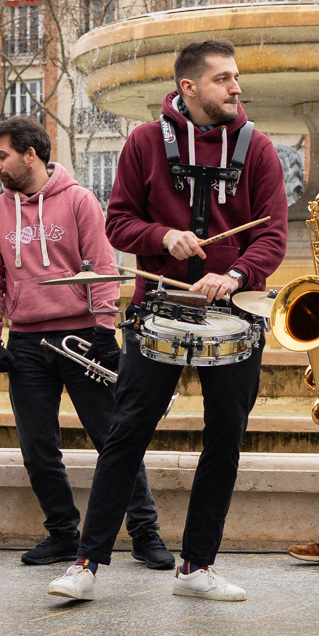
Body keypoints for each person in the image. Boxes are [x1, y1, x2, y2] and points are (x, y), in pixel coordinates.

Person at [46, 40, 287, 603]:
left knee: (225, 441)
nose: (236, 87)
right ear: (189, 88)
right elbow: (118, 224)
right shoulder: (143, 143)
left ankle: (197, 567)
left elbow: (273, 235)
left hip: (232, 310)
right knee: (126, 434)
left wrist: (237, 276)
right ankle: (87, 562)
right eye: (223, 79)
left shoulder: (259, 150)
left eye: (236, 77)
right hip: (159, 306)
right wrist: (163, 238)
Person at [0, 116, 171, 570]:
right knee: (37, 447)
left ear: (30, 155)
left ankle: (145, 533)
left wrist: (104, 328)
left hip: (83, 336)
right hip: (25, 343)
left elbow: (103, 266)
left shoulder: (79, 200)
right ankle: (62, 533)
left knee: (115, 442)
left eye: (2, 155)